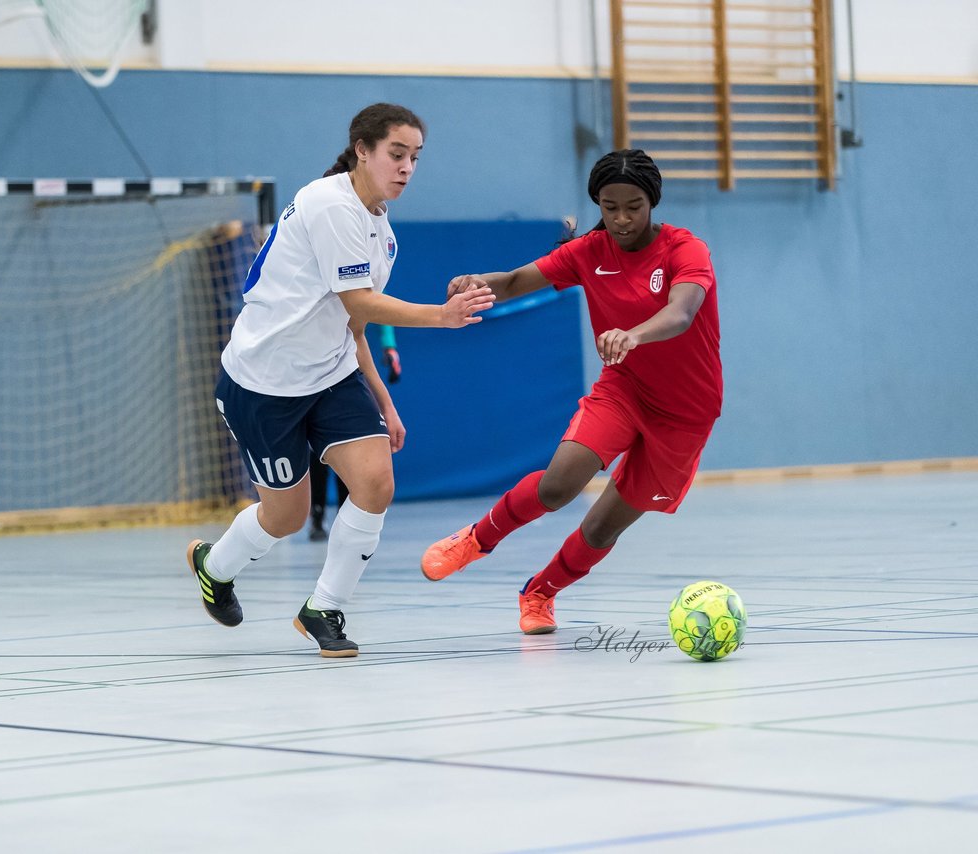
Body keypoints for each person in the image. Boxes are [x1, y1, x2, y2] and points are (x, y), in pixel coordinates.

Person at [185, 103, 494, 658]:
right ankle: (214, 565)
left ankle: (324, 607)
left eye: (415, 158)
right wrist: (441, 316)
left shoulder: (381, 233)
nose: (406, 168)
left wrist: (385, 404)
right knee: (287, 516)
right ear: (362, 150)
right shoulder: (331, 203)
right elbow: (361, 299)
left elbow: (354, 324)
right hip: (264, 382)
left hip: (330, 374)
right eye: (396, 154)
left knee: (375, 483)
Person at [420, 149, 722, 635]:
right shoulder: (588, 252)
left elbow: (682, 313)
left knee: (604, 526)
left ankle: (539, 593)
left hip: (686, 414)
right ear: (597, 205)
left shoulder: (686, 250)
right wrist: (481, 282)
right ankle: (478, 539)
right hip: (625, 389)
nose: (621, 219)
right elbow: (518, 280)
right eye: (609, 206)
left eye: (634, 206)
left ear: (653, 203)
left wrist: (635, 333)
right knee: (560, 483)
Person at [308, 323, 399, 541]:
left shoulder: (360, 295)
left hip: (347, 373)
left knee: (353, 447)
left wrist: (389, 346)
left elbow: (370, 310)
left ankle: (345, 511)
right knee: (316, 451)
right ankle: (317, 513)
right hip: (311, 377)